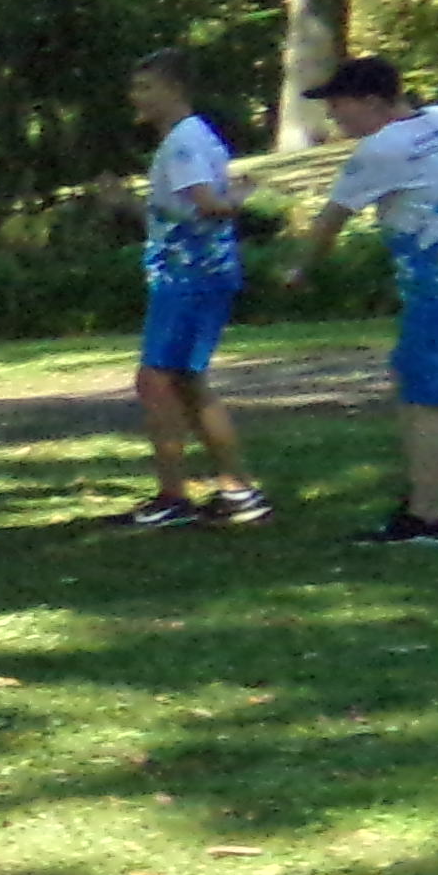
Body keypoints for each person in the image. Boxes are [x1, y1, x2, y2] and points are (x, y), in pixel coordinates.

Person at [286, 56, 438, 547]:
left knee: (433, 397)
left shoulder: (380, 150)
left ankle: (428, 521)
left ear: (372, 102)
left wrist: (299, 269)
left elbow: (331, 219)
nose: (333, 115)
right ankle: (419, 504)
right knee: (414, 378)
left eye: (338, 104)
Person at [123, 52, 268, 528]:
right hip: (191, 273)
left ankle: (173, 496)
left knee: (156, 380)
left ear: (175, 89)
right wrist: (127, 205)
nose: (136, 97)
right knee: (185, 379)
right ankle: (237, 490)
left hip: (190, 277)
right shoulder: (191, 137)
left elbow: (209, 206)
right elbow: (181, 213)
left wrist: (238, 197)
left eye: (146, 87)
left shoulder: (183, 142)